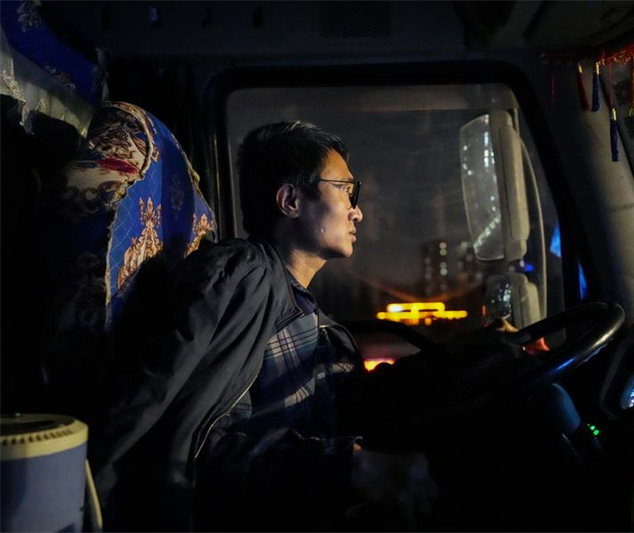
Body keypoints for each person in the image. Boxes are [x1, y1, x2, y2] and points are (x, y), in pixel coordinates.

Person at [90, 121, 439, 532]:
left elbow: (354, 404)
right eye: (346, 189)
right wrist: (353, 466)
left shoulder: (308, 315)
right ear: (290, 200)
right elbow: (195, 452)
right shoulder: (243, 274)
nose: (356, 209)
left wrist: (467, 358)